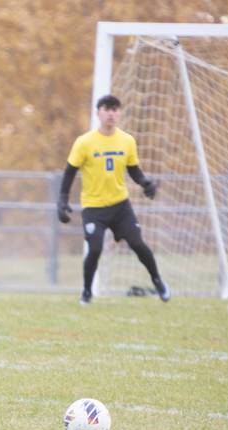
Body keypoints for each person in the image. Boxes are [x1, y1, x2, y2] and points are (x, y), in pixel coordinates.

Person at [57, 94, 170, 305]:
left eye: (115, 109)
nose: (111, 113)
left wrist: (145, 183)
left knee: (137, 243)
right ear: (98, 112)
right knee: (96, 248)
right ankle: (87, 292)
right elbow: (69, 172)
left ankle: (158, 282)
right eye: (106, 108)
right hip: (94, 207)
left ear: (119, 113)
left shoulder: (127, 141)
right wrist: (62, 200)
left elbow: (134, 170)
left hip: (120, 206)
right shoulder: (84, 142)